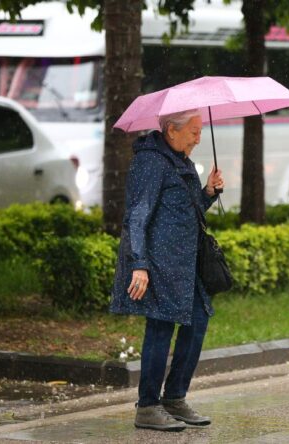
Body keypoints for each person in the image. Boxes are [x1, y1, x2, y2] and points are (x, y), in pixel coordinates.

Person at [110, 108, 224, 432]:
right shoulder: (151, 161)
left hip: (185, 265)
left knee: (197, 322)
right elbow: (137, 215)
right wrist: (139, 265)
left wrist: (208, 194)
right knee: (160, 331)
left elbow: (187, 211)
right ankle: (147, 406)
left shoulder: (182, 161)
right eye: (193, 130)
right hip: (158, 263)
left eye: (201, 130)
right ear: (171, 131)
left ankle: (174, 398)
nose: (199, 136)